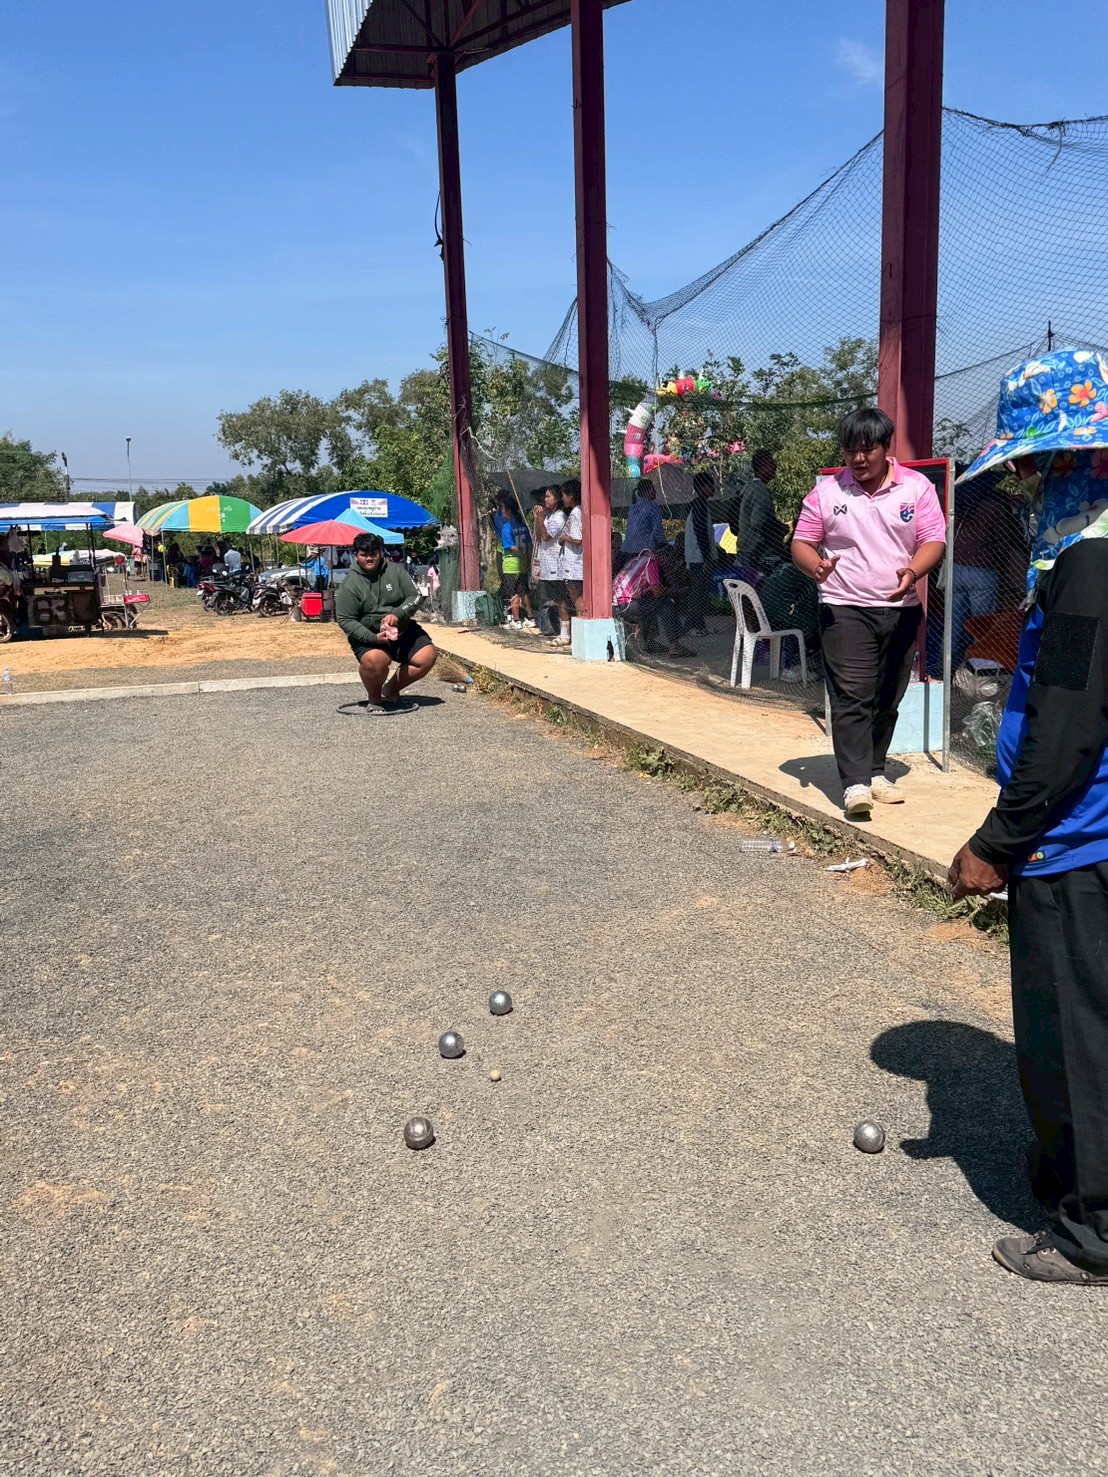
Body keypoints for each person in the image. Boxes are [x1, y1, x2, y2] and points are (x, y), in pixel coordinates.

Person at [948, 349, 1108, 1285]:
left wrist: (998, 841)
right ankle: (1063, 1169)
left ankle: (1094, 1229)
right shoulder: (1086, 554)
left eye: (1037, 465)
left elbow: (1070, 724)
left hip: (1075, 836)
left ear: (1077, 460)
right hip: (1075, 828)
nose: (1024, 484)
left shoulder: (1091, 562)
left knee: (1074, 1029)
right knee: (1074, 1019)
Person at [791, 407, 946, 820]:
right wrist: (816, 567)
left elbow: (933, 539)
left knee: (888, 695)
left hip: (901, 609)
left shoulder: (916, 488)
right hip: (844, 607)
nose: (858, 459)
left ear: (885, 447)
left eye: (867, 450)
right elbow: (802, 542)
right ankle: (855, 783)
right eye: (850, 451)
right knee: (852, 695)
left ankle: (876, 770)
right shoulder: (827, 493)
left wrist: (913, 571)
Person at [335, 531, 438, 714]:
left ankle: (390, 689)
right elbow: (345, 619)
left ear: (380, 552)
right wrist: (372, 637)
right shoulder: (350, 584)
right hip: (369, 636)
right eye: (364, 554)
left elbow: (415, 596)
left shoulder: (396, 571)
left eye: (373, 553)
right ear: (356, 555)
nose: (369, 558)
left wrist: (398, 614)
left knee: (427, 656)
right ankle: (374, 698)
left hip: (401, 629)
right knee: (377, 660)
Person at [614, 546, 694, 658]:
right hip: (627, 605)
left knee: (651, 604)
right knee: (665, 603)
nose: (668, 562)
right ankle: (674, 646)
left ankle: (649, 643)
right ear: (662, 556)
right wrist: (675, 592)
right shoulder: (651, 563)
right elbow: (657, 592)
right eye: (668, 558)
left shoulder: (637, 560)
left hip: (617, 604)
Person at [735, 451, 788, 576]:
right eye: (771, 463)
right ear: (762, 466)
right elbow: (758, 521)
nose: (775, 466)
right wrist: (781, 528)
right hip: (757, 551)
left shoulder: (750, 487)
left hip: (746, 548)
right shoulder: (761, 489)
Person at [494, 493, 536, 631]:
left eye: (503, 509)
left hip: (511, 564)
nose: (502, 512)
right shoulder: (523, 526)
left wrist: (521, 555)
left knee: (512, 593)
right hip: (523, 565)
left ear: (509, 511)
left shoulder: (506, 528)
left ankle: (516, 620)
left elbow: (512, 547)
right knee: (524, 591)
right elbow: (529, 545)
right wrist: (527, 560)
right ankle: (530, 617)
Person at [683, 469, 717, 635]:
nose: (713, 488)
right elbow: (701, 532)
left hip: (698, 556)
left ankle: (700, 626)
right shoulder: (699, 505)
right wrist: (707, 558)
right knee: (698, 592)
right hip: (698, 557)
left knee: (701, 591)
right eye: (710, 485)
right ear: (702, 487)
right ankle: (691, 627)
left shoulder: (699, 504)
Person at [534, 487, 567, 639]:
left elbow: (547, 536)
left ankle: (564, 632)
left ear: (557, 499)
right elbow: (539, 538)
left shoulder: (559, 517)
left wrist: (540, 517)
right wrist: (538, 519)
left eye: (548, 497)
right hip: (546, 564)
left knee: (559, 600)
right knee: (546, 599)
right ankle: (549, 629)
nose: (545, 500)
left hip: (556, 565)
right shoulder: (548, 517)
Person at [556, 480, 584, 648]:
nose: (562, 499)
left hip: (575, 565)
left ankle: (580, 639)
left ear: (571, 496)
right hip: (573, 565)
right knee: (571, 600)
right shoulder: (578, 511)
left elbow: (578, 539)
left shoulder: (575, 513)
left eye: (564, 495)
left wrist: (564, 538)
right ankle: (569, 636)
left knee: (578, 600)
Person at [622, 479, 665, 556]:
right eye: (653, 488)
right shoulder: (652, 505)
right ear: (647, 491)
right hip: (644, 551)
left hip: (627, 549)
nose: (655, 491)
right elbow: (658, 531)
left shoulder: (633, 507)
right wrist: (664, 545)